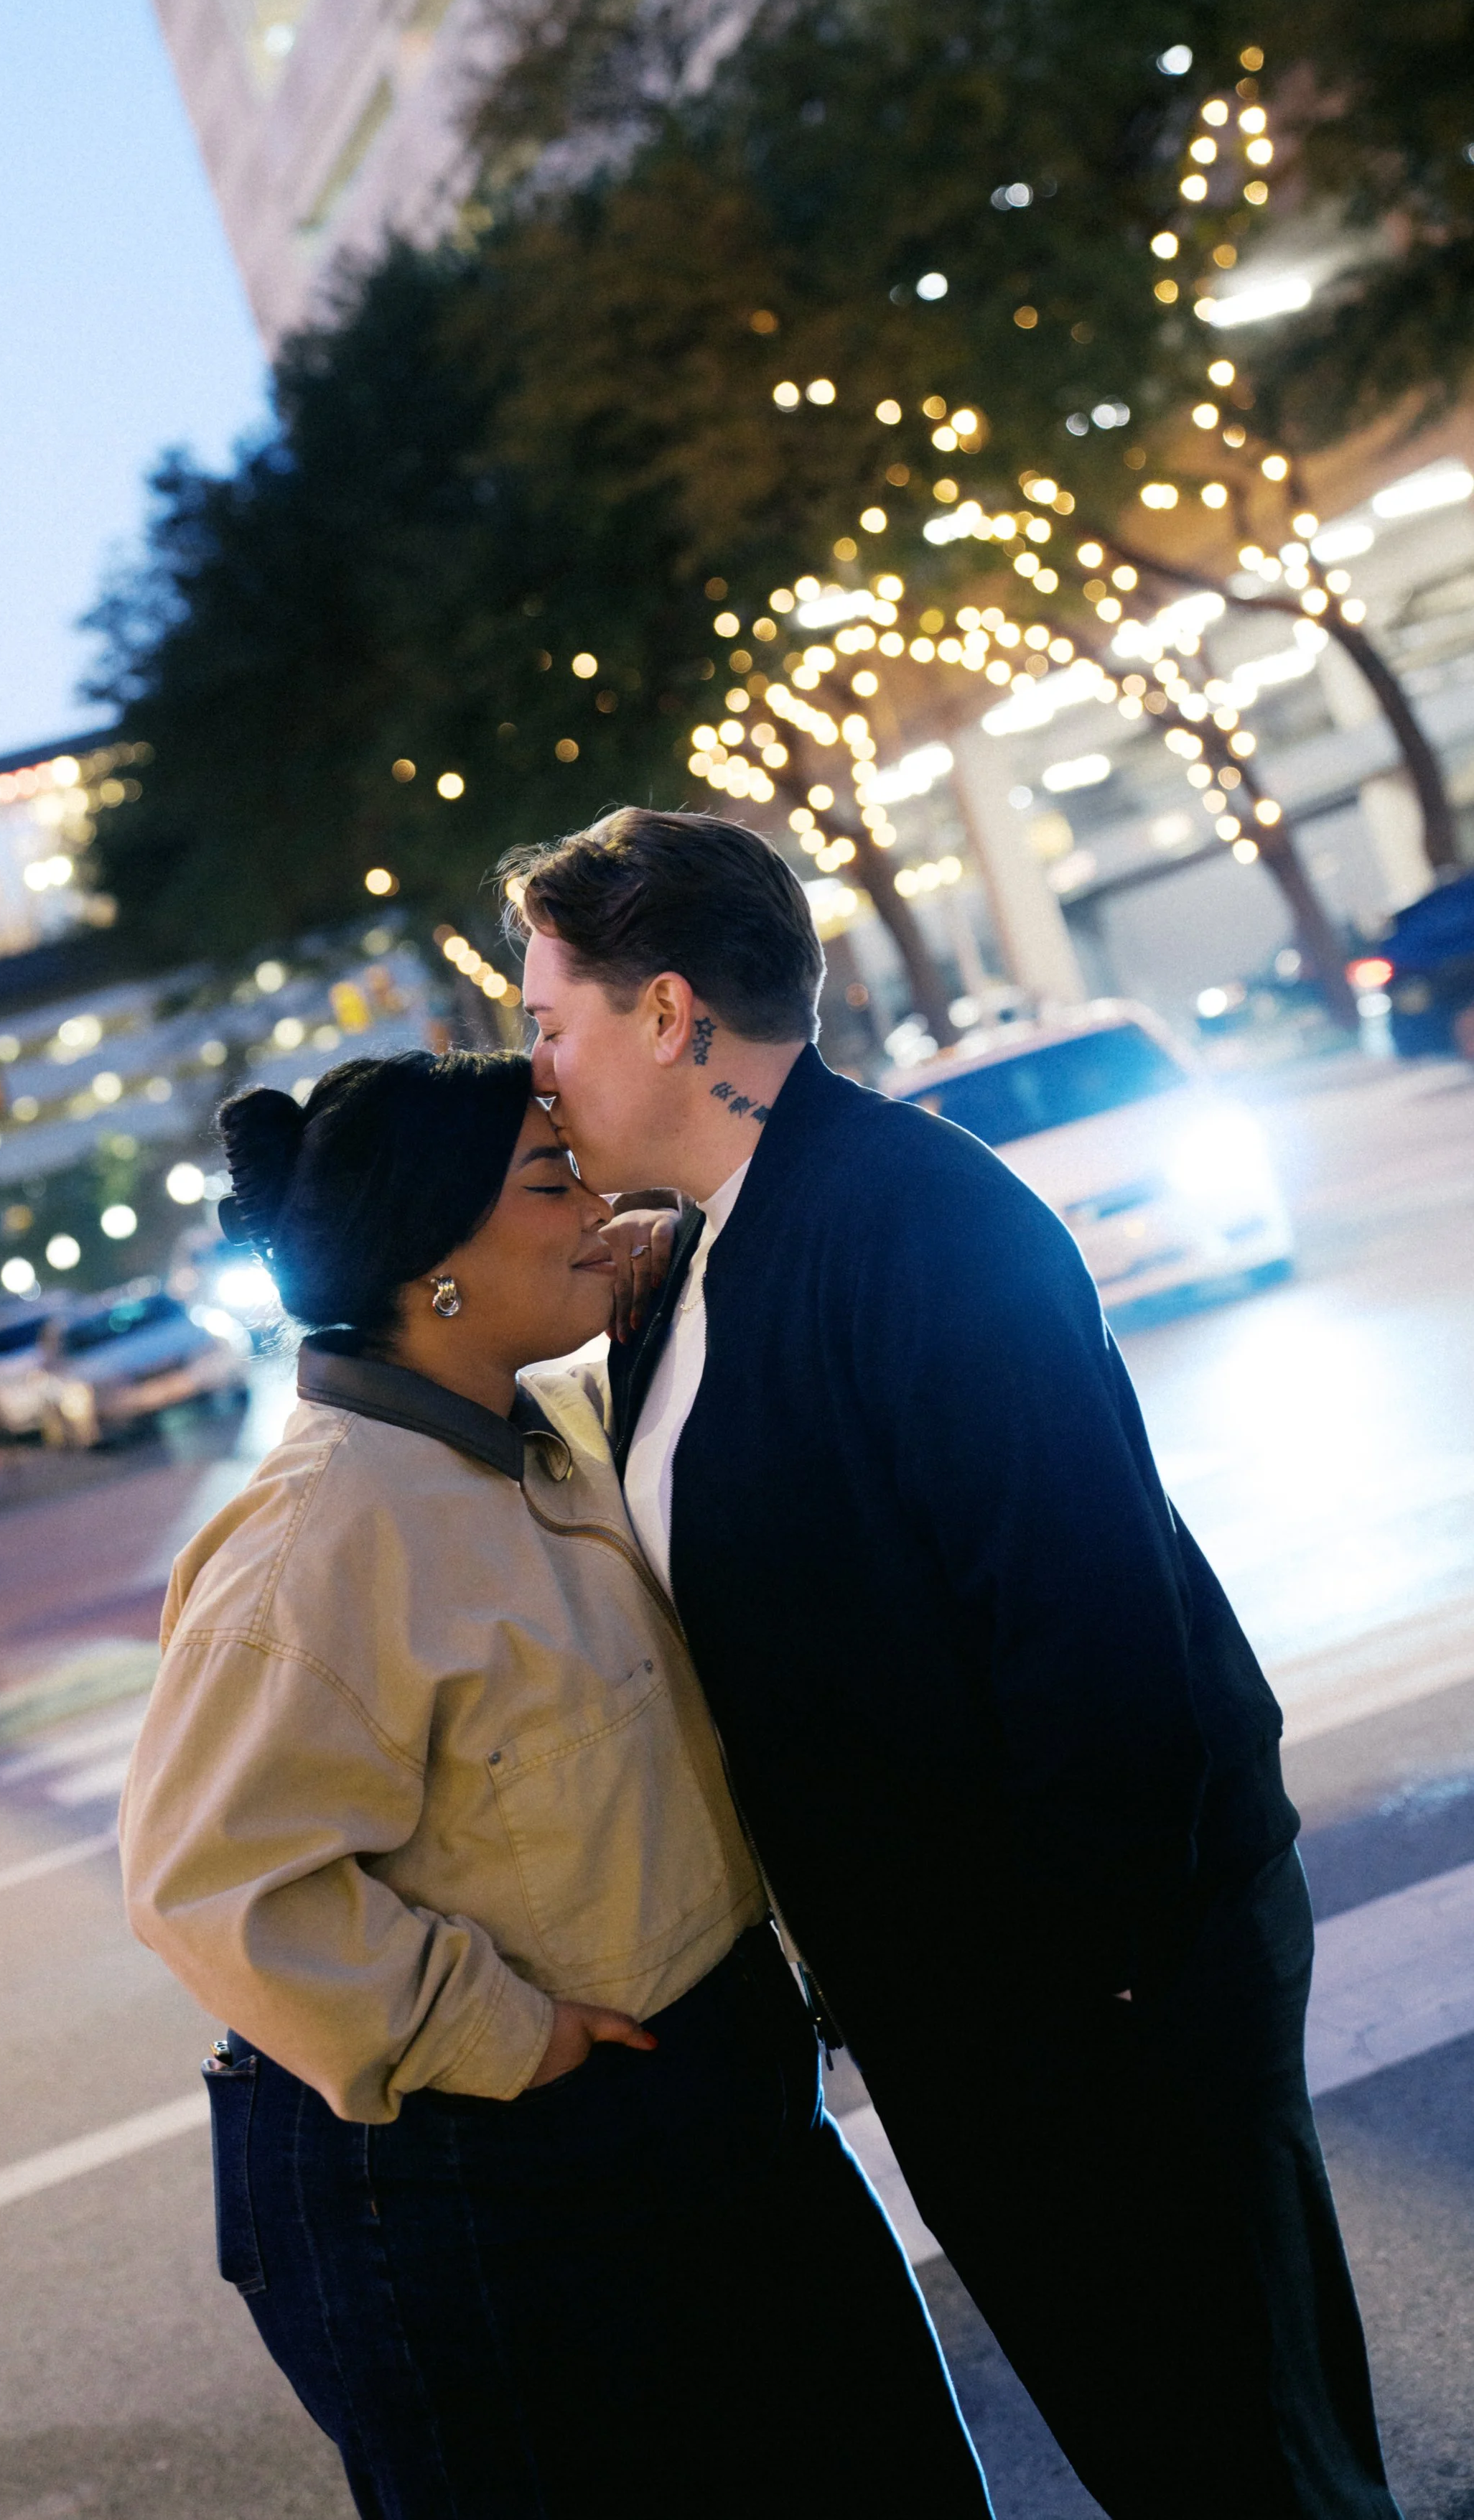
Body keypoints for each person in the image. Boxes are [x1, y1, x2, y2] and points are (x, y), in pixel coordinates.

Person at [506, 806, 1402, 2520]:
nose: (535, 1072)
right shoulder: (700, 1251)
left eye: (550, 1021)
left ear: (675, 1012)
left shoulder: (915, 1220)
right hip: (971, 2004)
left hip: (1094, 1992)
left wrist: (1099, 2003)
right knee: (1167, 2444)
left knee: (1246, 2451)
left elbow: (1091, 1631)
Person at [118, 1049, 990, 2520]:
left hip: (713, 2119)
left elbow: (670, 1255)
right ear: (430, 1263)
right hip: (491, 2182)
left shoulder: (536, 1431)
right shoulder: (320, 1541)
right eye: (547, 1182)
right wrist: (504, 2036)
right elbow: (208, 1884)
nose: (595, 1201)